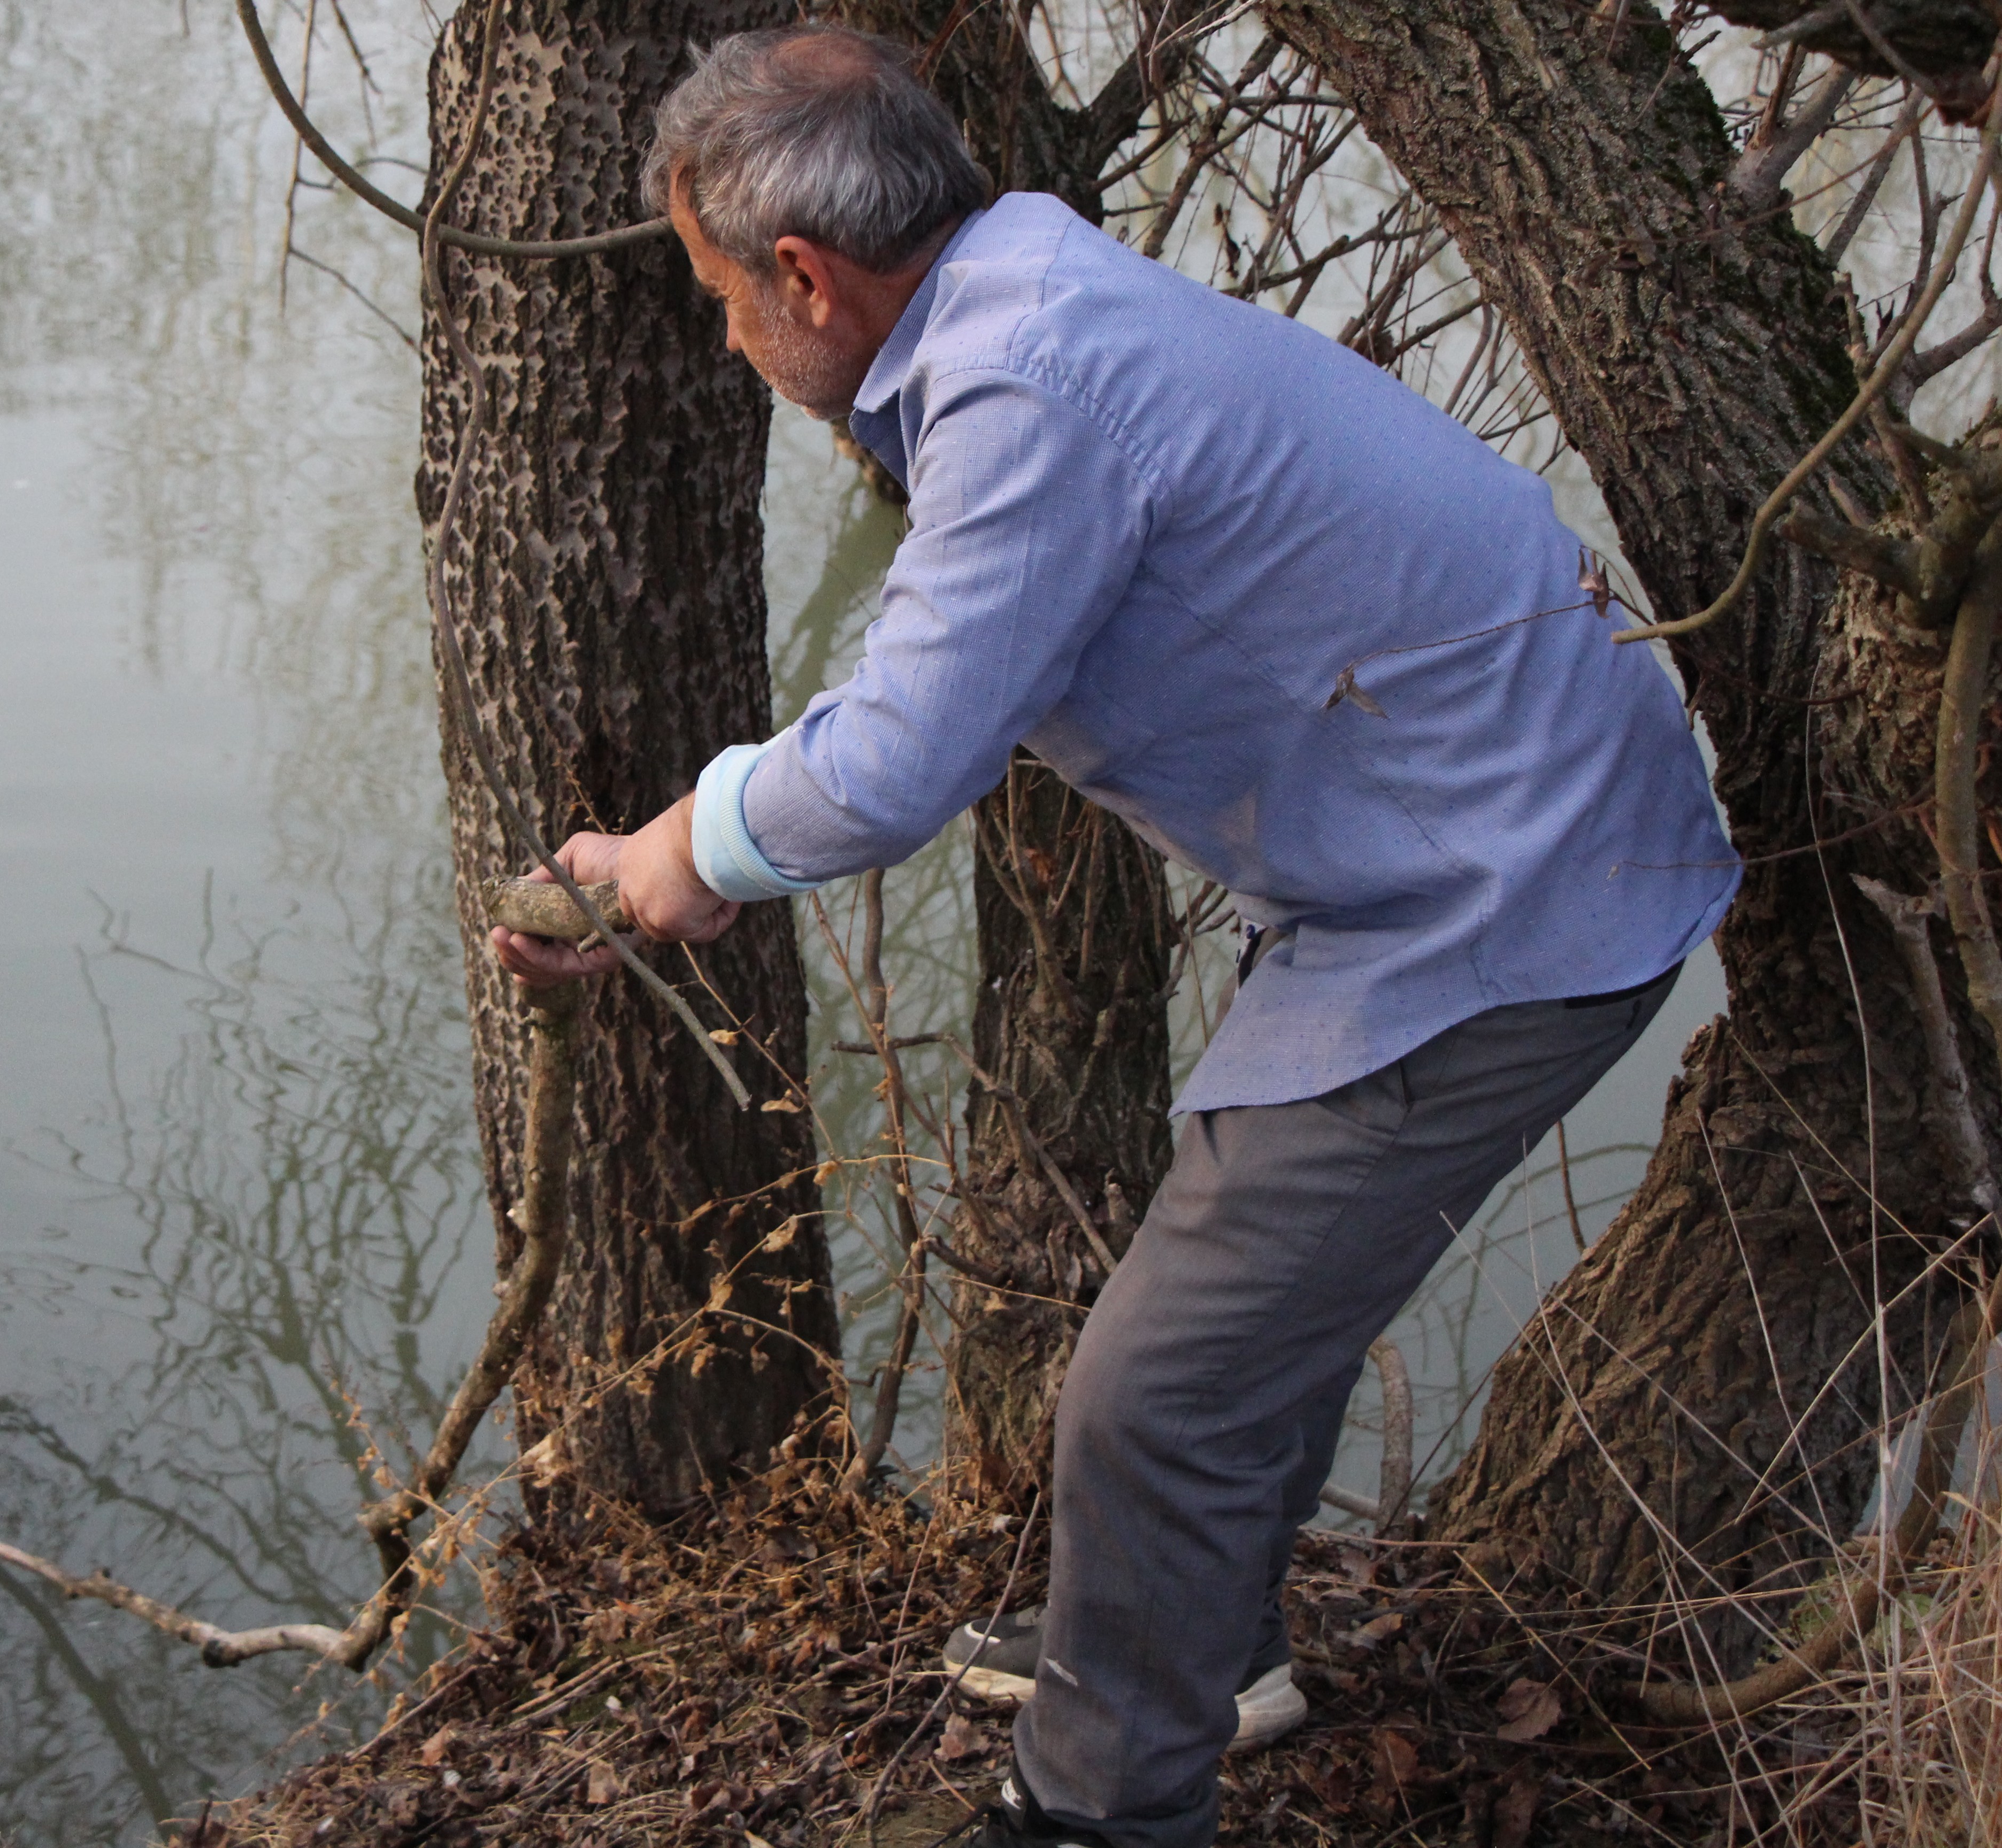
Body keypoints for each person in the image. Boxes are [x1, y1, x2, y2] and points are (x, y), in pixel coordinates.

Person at [490, 25, 1735, 1848]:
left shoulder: (1032, 381)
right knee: (1224, 1346)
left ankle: (1093, 1809)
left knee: (1155, 1400)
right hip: (1450, 858)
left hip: (1508, 898)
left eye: (720, 301)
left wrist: (670, 853)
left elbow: (902, 757)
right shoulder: (1025, 301)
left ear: (808, 279)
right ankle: (1203, 1651)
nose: (732, 343)